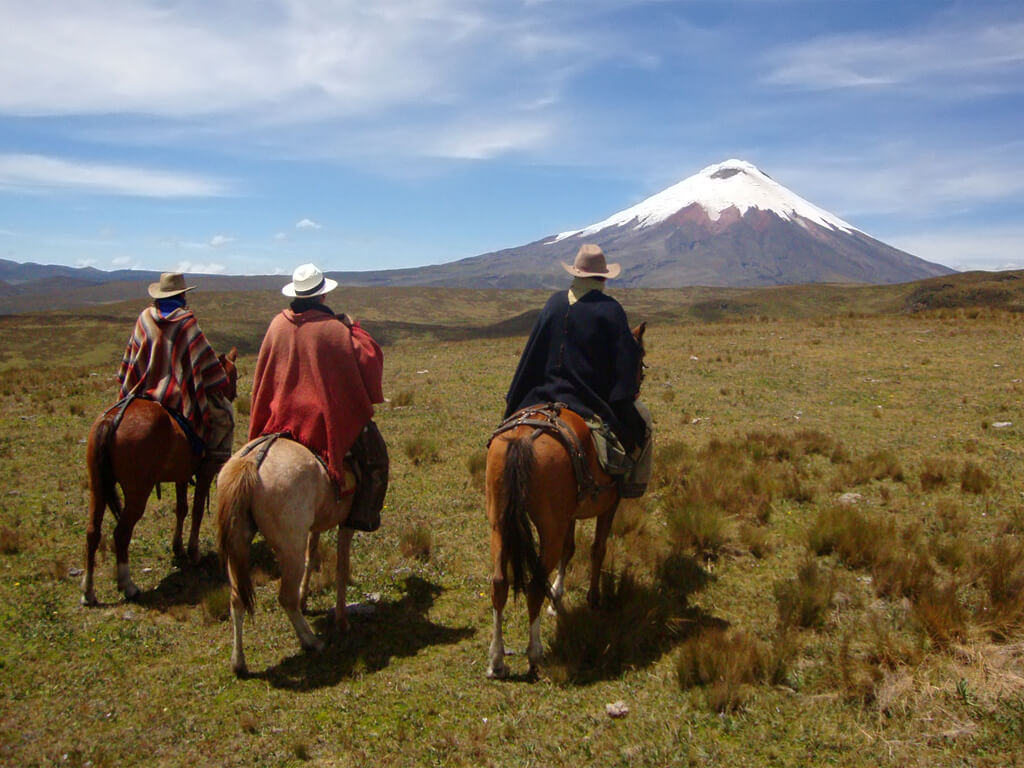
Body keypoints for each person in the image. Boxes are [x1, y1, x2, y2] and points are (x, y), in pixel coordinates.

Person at [503, 244, 652, 497]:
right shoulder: (610, 309)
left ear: (576, 273)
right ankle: (631, 485)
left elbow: (532, 354)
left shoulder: (553, 304)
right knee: (644, 421)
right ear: (603, 277)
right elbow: (624, 363)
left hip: (539, 395)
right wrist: (621, 396)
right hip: (586, 402)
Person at [248, 263, 387, 531]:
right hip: (319, 420)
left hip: (277, 419)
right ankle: (362, 516)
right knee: (376, 456)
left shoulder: (277, 324)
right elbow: (369, 358)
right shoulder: (334, 329)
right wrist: (354, 328)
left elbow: (264, 376)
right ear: (323, 296)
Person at [118, 272, 235, 475]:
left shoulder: (144, 319)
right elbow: (205, 362)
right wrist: (219, 379)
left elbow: (131, 358)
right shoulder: (187, 323)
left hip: (141, 392)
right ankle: (210, 466)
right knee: (224, 418)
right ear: (182, 296)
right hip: (178, 398)